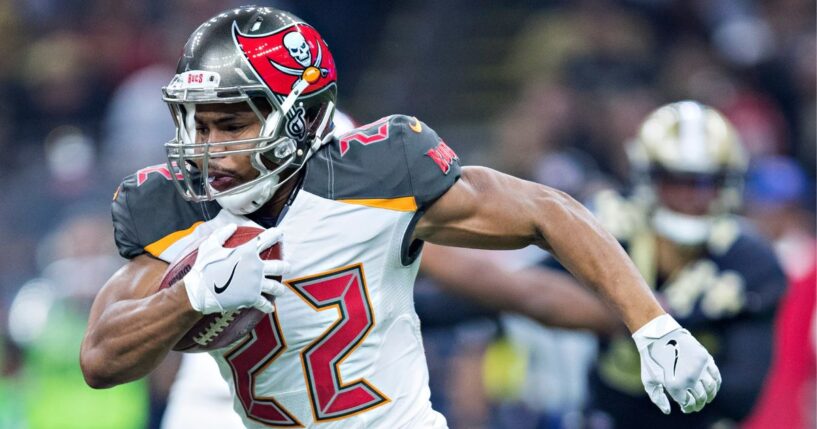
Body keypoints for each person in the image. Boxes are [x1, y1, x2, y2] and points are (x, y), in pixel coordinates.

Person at [80, 7, 720, 428]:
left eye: (231, 125)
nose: (208, 148)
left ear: (302, 119)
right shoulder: (178, 209)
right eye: (197, 125)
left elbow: (544, 210)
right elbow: (100, 359)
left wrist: (652, 324)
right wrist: (191, 295)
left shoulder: (377, 178)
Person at [543, 101, 785, 429]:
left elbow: (742, 393)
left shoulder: (750, 260)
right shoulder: (611, 224)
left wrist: (664, 332)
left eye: (705, 182)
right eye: (674, 180)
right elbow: (536, 287)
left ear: (727, 183)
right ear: (647, 178)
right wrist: (621, 316)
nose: (690, 196)